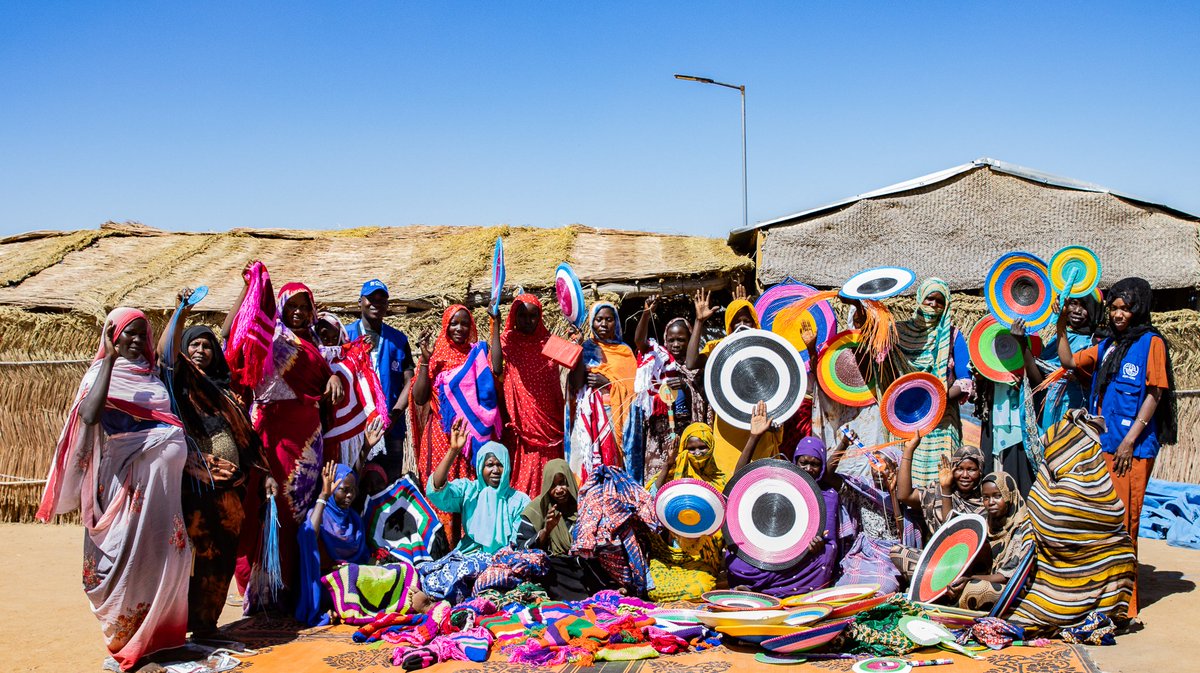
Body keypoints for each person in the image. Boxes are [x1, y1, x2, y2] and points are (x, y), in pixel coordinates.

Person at [38, 308, 191, 671]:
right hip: (130, 484)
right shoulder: (100, 374)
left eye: (142, 334)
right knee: (133, 561)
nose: (137, 341)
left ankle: (164, 641)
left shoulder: (152, 374)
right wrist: (107, 358)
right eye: (129, 334)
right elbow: (90, 415)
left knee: (169, 559)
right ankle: (132, 645)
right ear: (114, 336)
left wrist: (181, 309)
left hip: (164, 493)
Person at [1055, 277, 1177, 619]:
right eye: (1114, 308)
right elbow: (1068, 362)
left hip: (1131, 449)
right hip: (1103, 445)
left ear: (1138, 309)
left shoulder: (1151, 343)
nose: (1119, 314)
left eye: (1125, 308)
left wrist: (1129, 440)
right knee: (1101, 521)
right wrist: (1061, 328)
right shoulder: (1107, 345)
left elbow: (1154, 393)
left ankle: (1124, 605)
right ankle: (1100, 596)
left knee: (1125, 523)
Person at [226, 271, 343, 610]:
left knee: (300, 512)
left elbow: (326, 378)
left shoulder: (315, 346)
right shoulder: (268, 338)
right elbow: (233, 338)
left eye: (305, 307)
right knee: (268, 508)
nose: (299, 312)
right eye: (292, 306)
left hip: (307, 441)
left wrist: (333, 375)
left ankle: (295, 585)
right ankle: (263, 588)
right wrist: (248, 289)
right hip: (271, 437)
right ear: (279, 308)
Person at [163, 299, 273, 641]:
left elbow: (248, 439)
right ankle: (176, 627)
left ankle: (208, 625)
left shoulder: (225, 391)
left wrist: (265, 473)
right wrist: (180, 311)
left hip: (231, 489)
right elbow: (165, 353)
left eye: (207, 345)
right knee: (194, 557)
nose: (200, 350)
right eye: (193, 344)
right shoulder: (179, 385)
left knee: (222, 557)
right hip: (194, 486)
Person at [1010, 409, 1136, 632]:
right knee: (1123, 549)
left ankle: (1070, 610)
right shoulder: (1096, 479)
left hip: (1054, 584)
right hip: (1069, 572)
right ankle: (1105, 613)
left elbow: (1043, 519)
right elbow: (1116, 513)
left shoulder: (1046, 484)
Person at [725, 404, 838, 597]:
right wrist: (754, 437)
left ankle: (760, 591)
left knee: (827, 554)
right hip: (765, 551)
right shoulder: (780, 479)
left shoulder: (828, 495)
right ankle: (753, 587)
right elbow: (739, 484)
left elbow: (829, 541)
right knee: (737, 561)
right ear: (795, 462)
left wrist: (818, 545)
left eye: (815, 464)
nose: (809, 469)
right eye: (804, 462)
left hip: (801, 561)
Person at [411, 304, 496, 539]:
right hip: (440, 437)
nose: (460, 328)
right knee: (441, 488)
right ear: (445, 326)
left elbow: (488, 393)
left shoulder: (477, 355)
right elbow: (419, 398)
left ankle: (469, 544)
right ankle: (440, 546)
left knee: (468, 493)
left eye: (465, 323)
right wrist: (426, 362)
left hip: (470, 440)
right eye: (454, 323)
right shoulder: (435, 357)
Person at [685, 288, 781, 476]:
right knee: (729, 480)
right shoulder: (719, 347)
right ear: (729, 325)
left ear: (755, 323)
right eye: (736, 321)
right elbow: (691, 362)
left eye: (747, 321)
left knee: (760, 478)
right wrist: (699, 321)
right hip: (728, 426)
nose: (742, 325)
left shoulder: (767, 347)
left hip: (760, 424)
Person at [893, 279, 972, 486]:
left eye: (940, 301)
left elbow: (965, 381)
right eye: (930, 299)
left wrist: (936, 400)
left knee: (941, 481)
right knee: (905, 480)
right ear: (920, 299)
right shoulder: (898, 333)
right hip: (906, 419)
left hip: (942, 421)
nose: (934, 305)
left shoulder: (953, 336)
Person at [490, 293, 566, 496]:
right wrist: (496, 325)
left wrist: (579, 342)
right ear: (514, 317)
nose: (527, 321)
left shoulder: (550, 343)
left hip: (550, 426)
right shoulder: (508, 341)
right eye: (522, 315)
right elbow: (497, 368)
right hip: (523, 427)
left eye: (533, 316)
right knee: (524, 480)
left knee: (552, 480)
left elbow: (575, 363)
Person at [633, 297, 712, 485]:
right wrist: (646, 314)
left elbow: (705, 401)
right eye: (672, 340)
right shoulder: (658, 363)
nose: (676, 344)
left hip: (689, 440)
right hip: (660, 438)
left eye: (682, 340)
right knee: (658, 485)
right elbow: (640, 342)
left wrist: (685, 386)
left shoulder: (697, 367)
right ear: (665, 341)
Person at [827, 441, 923, 593]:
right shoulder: (864, 489)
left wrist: (892, 494)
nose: (878, 472)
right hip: (865, 553)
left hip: (891, 557)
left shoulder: (907, 496)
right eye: (874, 465)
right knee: (843, 589)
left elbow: (904, 535)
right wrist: (844, 444)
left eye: (885, 466)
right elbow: (828, 475)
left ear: (897, 469)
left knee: (883, 588)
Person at [645, 423, 726, 601]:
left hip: (700, 560)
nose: (697, 453)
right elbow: (650, 499)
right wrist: (668, 464)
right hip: (669, 557)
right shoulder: (673, 474)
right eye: (691, 448)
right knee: (653, 590)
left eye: (702, 447)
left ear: (711, 446)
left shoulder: (719, 481)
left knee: (701, 588)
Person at [427, 418, 531, 556]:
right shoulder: (469, 491)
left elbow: (519, 541)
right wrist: (453, 451)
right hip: (469, 557)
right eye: (489, 465)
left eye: (500, 465)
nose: (495, 470)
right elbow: (437, 491)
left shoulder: (519, 500)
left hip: (505, 561)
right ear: (480, 468)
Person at [345, 280, 416, 480]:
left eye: (381, 299)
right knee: (352, 484)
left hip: (391, 428)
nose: (376, 303)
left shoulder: (398, 340)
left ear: (387, 305)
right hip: (355, 428)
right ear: (360, 302)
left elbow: (409, 381)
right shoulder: (345, 335)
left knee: (388, 484)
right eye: (371, 299)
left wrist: (393, 415)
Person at [514, 459, 612, 600]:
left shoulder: (584, 506)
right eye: (552, 485)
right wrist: (546, 530)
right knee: (546, 566)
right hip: (556, 571)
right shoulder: (536, 510)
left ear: (570, 482)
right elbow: (522, 549)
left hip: (583, 566)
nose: (559, 490)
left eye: (562, 483)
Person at [893, 437, 985, 580]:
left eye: (971, 469)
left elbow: (954, 533)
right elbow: (904, 495)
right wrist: (909, 450)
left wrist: (946, 491)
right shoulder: (937, 491)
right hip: (939, 564)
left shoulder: (986, 502)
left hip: (967, 569)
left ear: (981, 471)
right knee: (897, 552)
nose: (965, 475)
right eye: (959, 469)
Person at [946, 471, 1034, 612]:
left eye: (997, 496)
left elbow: (1007, 576)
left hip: (1011, 589)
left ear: (1009, 496)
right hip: (978, 577)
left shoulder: (1022, 527)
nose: (991, 502)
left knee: (975, 589)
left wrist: (970, 578)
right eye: (986, 497)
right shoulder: (982, 522)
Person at [296, 462, 370, 625]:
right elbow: (309, 537)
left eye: (353, 491)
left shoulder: (353, 519)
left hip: (353, 579)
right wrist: (323, 497)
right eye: (344, 490)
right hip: (328, 584)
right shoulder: (318, 515)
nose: (349, 496)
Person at [975, 318, 1043, 495]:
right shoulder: (985, 340)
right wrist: (982, 376)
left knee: (1021, 475)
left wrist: (1024, 385)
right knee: (994, 470)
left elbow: (1039, 383)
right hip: (994, 420)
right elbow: (978, 387)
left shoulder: (1033, 341)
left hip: (1019, 420)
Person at [570, 302, 638, 476]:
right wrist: (577, 348)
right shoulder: (585, 348)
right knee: (586, 462)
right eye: (599, 319)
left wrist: (607, 383)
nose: (603, 324)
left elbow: (632, 389)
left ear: (616, 322)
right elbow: (576, 385)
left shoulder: (625, 352)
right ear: (592, 322)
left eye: (609, 319)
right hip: (588, 416)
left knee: (611, 462)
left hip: (613, 415)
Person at [316, 311, 389, 471]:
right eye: (323, 337)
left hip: (347, 437)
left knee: (346, 480)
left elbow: (360, 384)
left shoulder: (349, 357)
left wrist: (362, 353)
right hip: (317, 432)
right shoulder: (311, 358)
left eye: (334, 337)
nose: (329, 342)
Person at [1026, 294, 1103, 433]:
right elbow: (1040, 381)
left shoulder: (1096, 343)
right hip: (1049, 409)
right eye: (1073, 303)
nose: (1077, 310)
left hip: (1076, 410)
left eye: (1084, 306)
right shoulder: (1056, 339)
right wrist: (1021, 343)